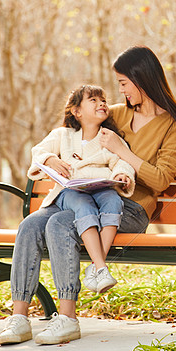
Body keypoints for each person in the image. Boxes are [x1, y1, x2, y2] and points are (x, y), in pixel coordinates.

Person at [0, 46, 176, 346]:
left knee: (59, 225)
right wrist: (51, 160)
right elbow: (70, 135)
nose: (119, 91)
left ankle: (67, 318)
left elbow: (159, 181)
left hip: (128, 207)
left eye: (123, 83)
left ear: (140, 79)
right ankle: (19, 317)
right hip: (82, 198)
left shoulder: (174, 126)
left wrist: (123, 152)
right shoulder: (117, 113)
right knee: (29, 225)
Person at [26, 85, 133, 296]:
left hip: (101, 188)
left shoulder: (109, 138)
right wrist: (50, 158)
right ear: (77, 111)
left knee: (114, 201)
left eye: (103, 99)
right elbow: (38, 151)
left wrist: (122, 175)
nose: (101, 103)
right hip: (72, 191)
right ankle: (101, 267)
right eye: (93, 100)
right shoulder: (63, 135)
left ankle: (96, 266)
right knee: (83, 205)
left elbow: (123, 161)